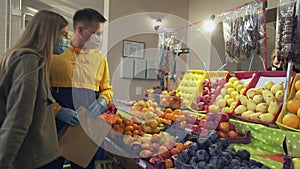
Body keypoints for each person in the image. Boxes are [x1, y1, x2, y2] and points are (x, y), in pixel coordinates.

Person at [0, 10, 68, 169]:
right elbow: (18, 118)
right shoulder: (29, 62)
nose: (66, 41)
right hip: (32, 159)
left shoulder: (30, 60)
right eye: (63, 34)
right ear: (48, 34)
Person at [50, 8, 113, 169]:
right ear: (80, 30)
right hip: (54, 127)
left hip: (86, 127)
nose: (99, 39)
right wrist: (57, 111)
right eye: (96, 33)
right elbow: (40, 93)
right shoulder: (54, 56)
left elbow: (106, 89)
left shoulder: (100, 60)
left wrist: (102, 101)